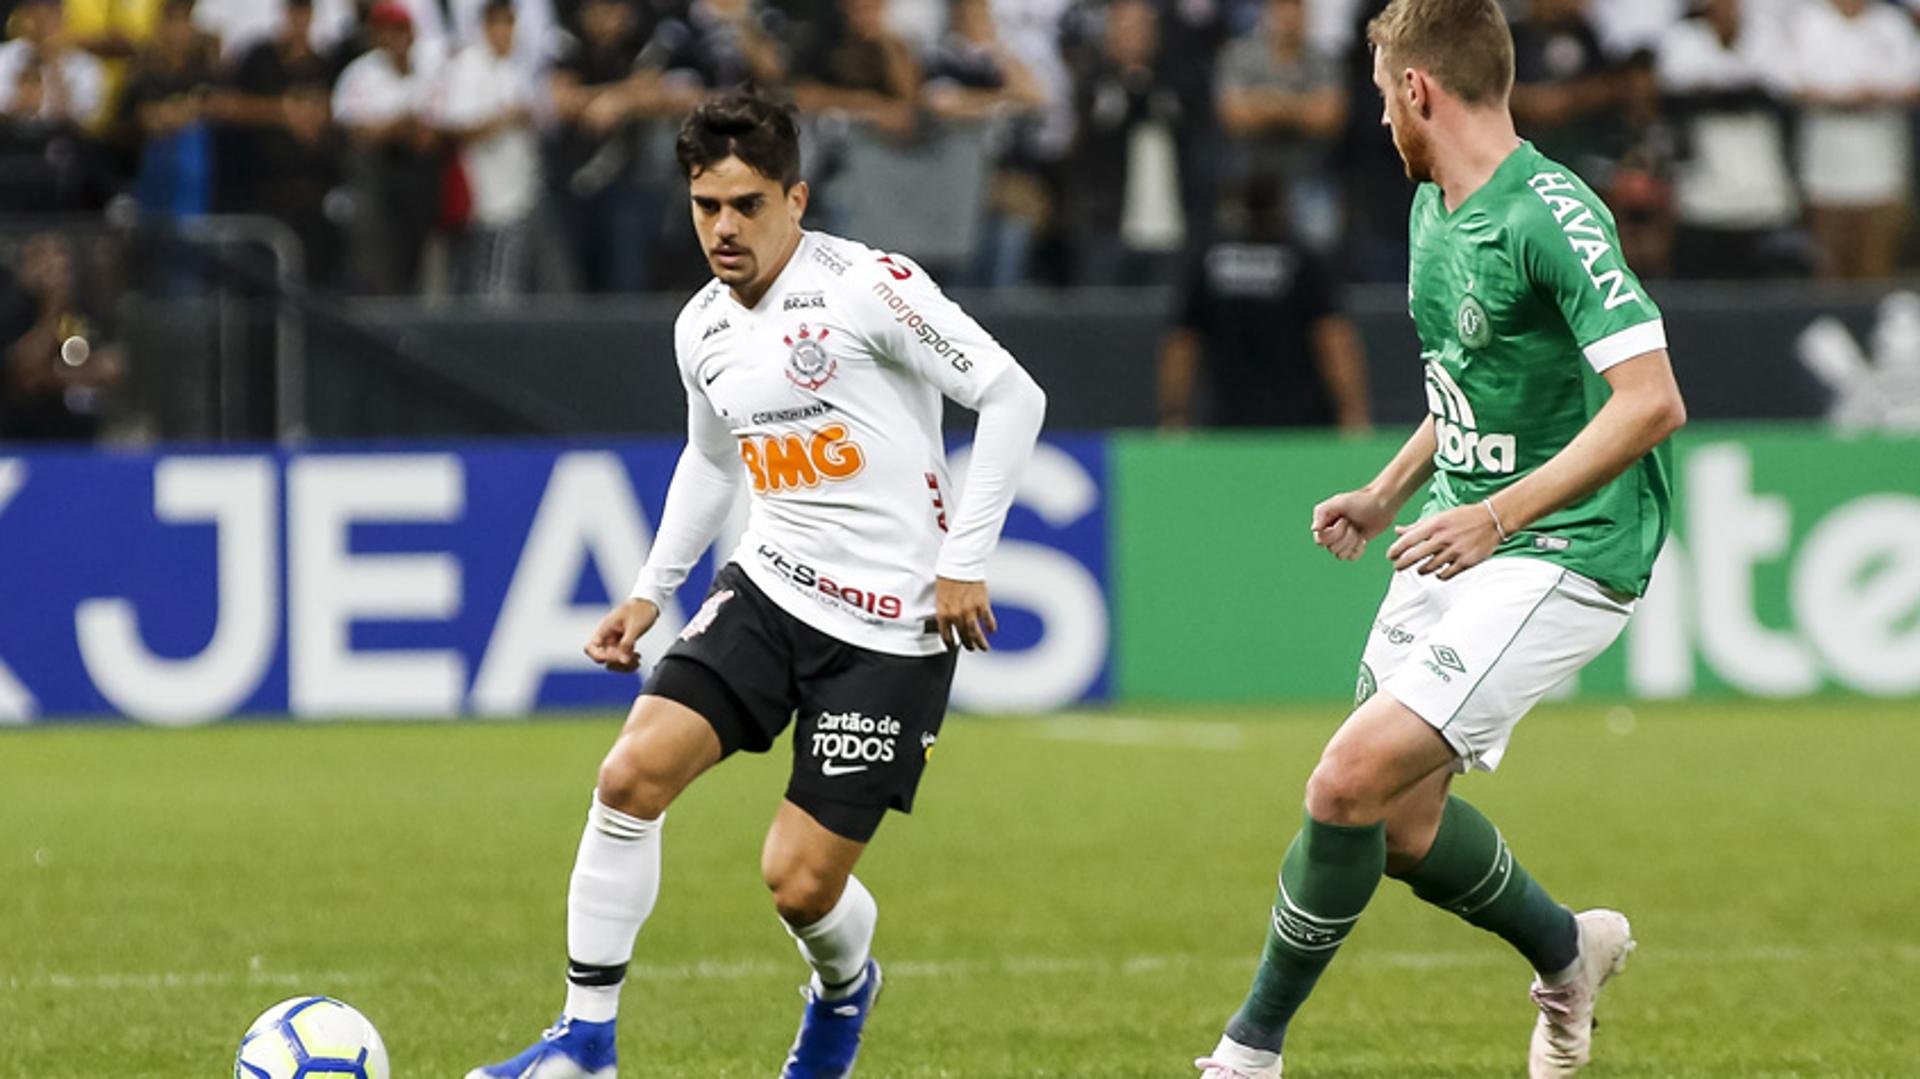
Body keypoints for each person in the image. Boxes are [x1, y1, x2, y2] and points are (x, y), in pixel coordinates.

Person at [466, 86, 1047, 1079]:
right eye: (705, 206)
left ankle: (844, 990)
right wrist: (652, 590)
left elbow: (1010, 393)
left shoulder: (870, 287)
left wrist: (965, 560)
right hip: (770, 589)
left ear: (797, 198)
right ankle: (585, 1040)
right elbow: (711, 459)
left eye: (747, 204)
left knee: (799, 884)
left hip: (891, 629)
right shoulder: (700, 326)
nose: (724, 227)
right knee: (627, 775)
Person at [1195, 1, 1686, 1077]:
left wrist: (1498, 514)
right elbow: (1466, 385)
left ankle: (1247, 1052)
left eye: (1382, 94)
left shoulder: (1553, 212)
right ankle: (1571, 952)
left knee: (1344, 781)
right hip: (1456, 530)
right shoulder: (1434, 206)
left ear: (1418, 87)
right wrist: (1388, 489)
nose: (1379, 118)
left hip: (1569, 544)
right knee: (1401, 823)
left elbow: (1650, 401)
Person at [1159, 172, 1369, 432]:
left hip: (1225, 420)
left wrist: (1174, 414)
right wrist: (1353, 410)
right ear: (1282, 204)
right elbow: (1333, 338)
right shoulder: (1302, 259)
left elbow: (1183, 344)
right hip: (1302, 423)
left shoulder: (1209, 261)